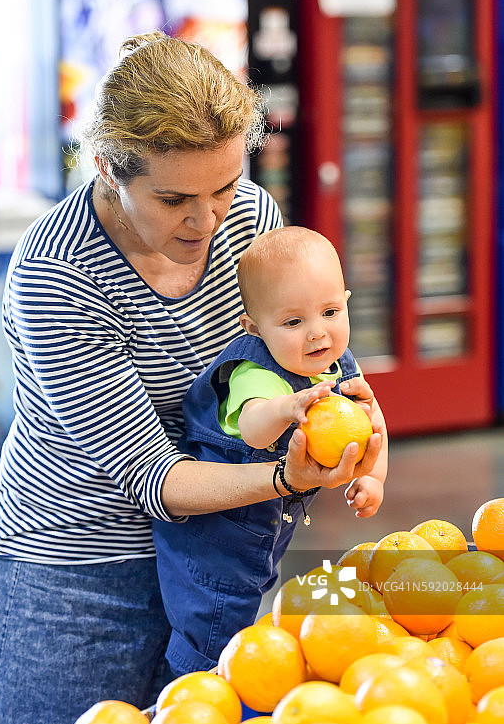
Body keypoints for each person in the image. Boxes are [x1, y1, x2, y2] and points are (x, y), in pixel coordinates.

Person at [0, 31, 384, 724]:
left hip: (207, 565)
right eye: (174, 199)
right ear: (107, 167)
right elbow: (155, 479)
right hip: (71, 582)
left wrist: (355, 407)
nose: (209, 219)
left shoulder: (251, 217)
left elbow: (303, 348)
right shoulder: (57, 271)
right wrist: (286, 479)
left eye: (224, 185)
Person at [152, 226, 388, 676]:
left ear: (346, 301)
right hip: (215, 535)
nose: (317, 333)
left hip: (267, 526)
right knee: (214, 626)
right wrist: (286, 407)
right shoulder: (255, 372)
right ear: (255, 328)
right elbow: (254, 429)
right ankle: (195, 692)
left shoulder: (338, 364)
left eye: (330, 312)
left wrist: (372, 477)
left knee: (249, 607)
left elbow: (373, 425)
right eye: (293, 322)